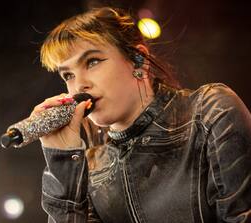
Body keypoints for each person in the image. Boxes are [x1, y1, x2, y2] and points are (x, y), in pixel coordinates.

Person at [31, 7, 251, 223]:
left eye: (92, 62)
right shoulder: (90, 169)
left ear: (139, 60)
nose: (79, 85)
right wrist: (63, 166)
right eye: (68, 75)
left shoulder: (210, 112)